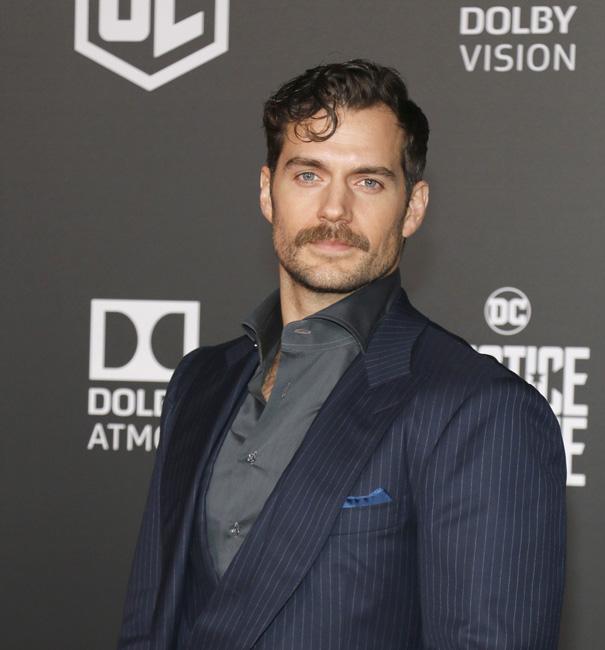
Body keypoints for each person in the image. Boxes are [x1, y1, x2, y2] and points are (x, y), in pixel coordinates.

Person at [117, 59, 566, 650]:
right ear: (267, 191)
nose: (334, 210)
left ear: (414, 207)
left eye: (368, 181)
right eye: (309, 175)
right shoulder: (200, 381)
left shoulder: (480, 411)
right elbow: (150, 625)